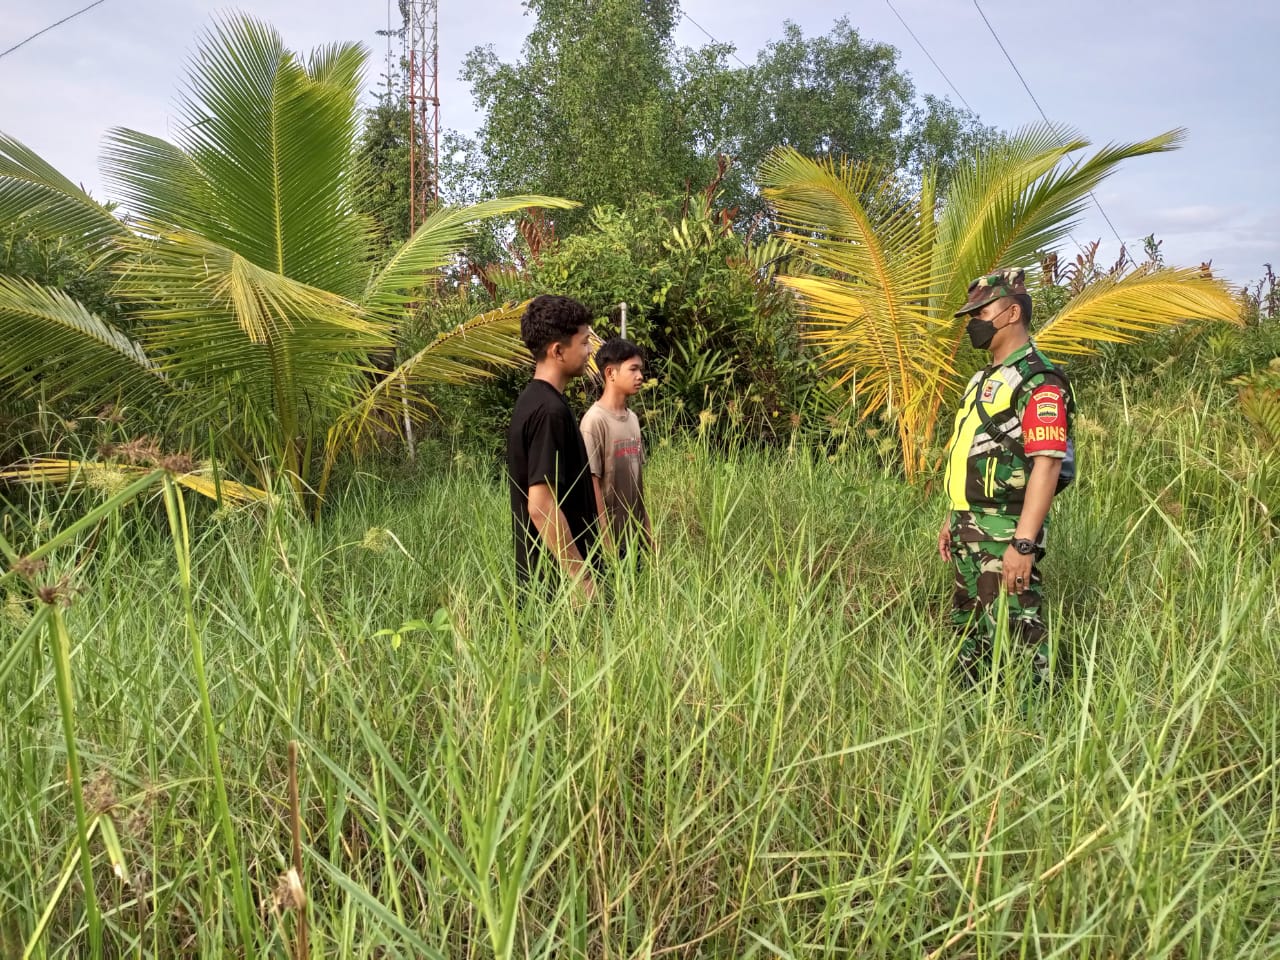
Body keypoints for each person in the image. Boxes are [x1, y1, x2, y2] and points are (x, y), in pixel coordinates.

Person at [937, 268, 1074, 683]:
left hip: (1006, 529)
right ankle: (972, 720)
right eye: (969, 315)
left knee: (1019, 634)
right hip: (970, 526)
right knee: (970, 633)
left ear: (1012, 313)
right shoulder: (983, 379)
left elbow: (1048, 463)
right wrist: (953, 515)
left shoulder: (1039, 380)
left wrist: (1024, 543)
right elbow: (969, 453)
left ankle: (1038, 722)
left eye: (980, 312)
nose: (971, 323)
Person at [507, 294, 599, 603]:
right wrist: (580, 577)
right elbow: (541, 505)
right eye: (584, 342)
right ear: (558, 351)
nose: (590, 351)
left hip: (547, 578)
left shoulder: (534, 400)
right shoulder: (549, 411)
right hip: (555, 588)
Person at [580, 337, 653, 561]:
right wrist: (606, 541)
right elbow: (593, 486)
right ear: (610, 373)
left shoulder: (632, 419)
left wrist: (648, 532)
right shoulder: (594, 422)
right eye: (633, 369)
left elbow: (637, 483)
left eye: (640, 369)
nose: (640, 376)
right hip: (608, 543)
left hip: (634, 538)